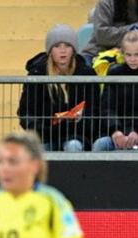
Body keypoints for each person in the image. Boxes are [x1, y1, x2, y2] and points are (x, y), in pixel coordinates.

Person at [18, 24, 100, 152]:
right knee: (40, 150)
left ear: (73, 49)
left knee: (74, 146)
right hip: (45, 135)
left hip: (76, 134)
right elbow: (26, 112)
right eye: (57, 46)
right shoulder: (37, 73)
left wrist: (79, 122)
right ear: (50, 51)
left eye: (67, 46)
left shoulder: (86, 73)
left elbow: (94, 110)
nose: (63, 51)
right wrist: (43, 128)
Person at [93, 30, 138, 151]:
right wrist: (115, 131)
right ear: (122, 54)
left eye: (137, 54)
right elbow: (107, 107)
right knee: (100, 144)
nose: (133, 59)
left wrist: (137, 131)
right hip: (119, 133)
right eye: (128, 55)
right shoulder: (115, 72)